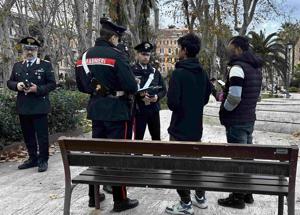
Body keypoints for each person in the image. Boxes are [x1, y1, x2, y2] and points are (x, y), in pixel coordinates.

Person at [75, 18, 139, 212]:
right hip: (117, 111)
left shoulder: (84, 57)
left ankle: (93, 196)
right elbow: (131, 86)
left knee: (97, 152)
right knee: (117, 155)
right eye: (117, 38)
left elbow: (81, 86)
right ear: (112, 37)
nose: (118, 41)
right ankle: (120, 200)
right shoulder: (116, 55)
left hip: (96, 109)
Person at [165, 33, 211, 215]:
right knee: (194, 164)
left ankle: (185, 204)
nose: (178, 51)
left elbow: (172, 103)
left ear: (184, 50)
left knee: (178, 167)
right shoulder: (203, 73)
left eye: (179, 48)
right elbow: (206, 98)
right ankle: (200, 197)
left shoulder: (178, 73)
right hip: (196, 129)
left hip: (178, 129)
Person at [218, 36, 263, 209]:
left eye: (230, 46)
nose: (228, 50)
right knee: (247, 157)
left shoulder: (237, 68)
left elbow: (235, 97)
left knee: (237, 158)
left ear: (237, 48)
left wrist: (224, 110)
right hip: (249, 118)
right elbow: (255, 96)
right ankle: (247, 193)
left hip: (236, 120)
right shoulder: (255, 68)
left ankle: (237, 197)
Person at [7, 36, 56, 172]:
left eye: (32, 49)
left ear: (37, 50)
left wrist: (37, 89)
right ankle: (32, 158)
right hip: (23, 106)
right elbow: (9, 82)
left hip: (40, 106)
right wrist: (18, 85)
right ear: (23, 50)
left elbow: (52, 84)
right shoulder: (18, 65)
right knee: (28, 135)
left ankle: (43, 160)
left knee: (42, 136)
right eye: (27, 49)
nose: (29, 51)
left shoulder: (45, 65)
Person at [131, 42, 167, 140]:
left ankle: (157, 156)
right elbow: (128, 90)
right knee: (138, 139)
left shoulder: (155, 72)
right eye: (143, 54)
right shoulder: (131, 71)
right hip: (139, 110)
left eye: (148, 54)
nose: (146, 57)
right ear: (137, 54)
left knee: (156, 139)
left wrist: (157, 97)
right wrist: (139, 95)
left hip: (153, 110)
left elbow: (163, 90)